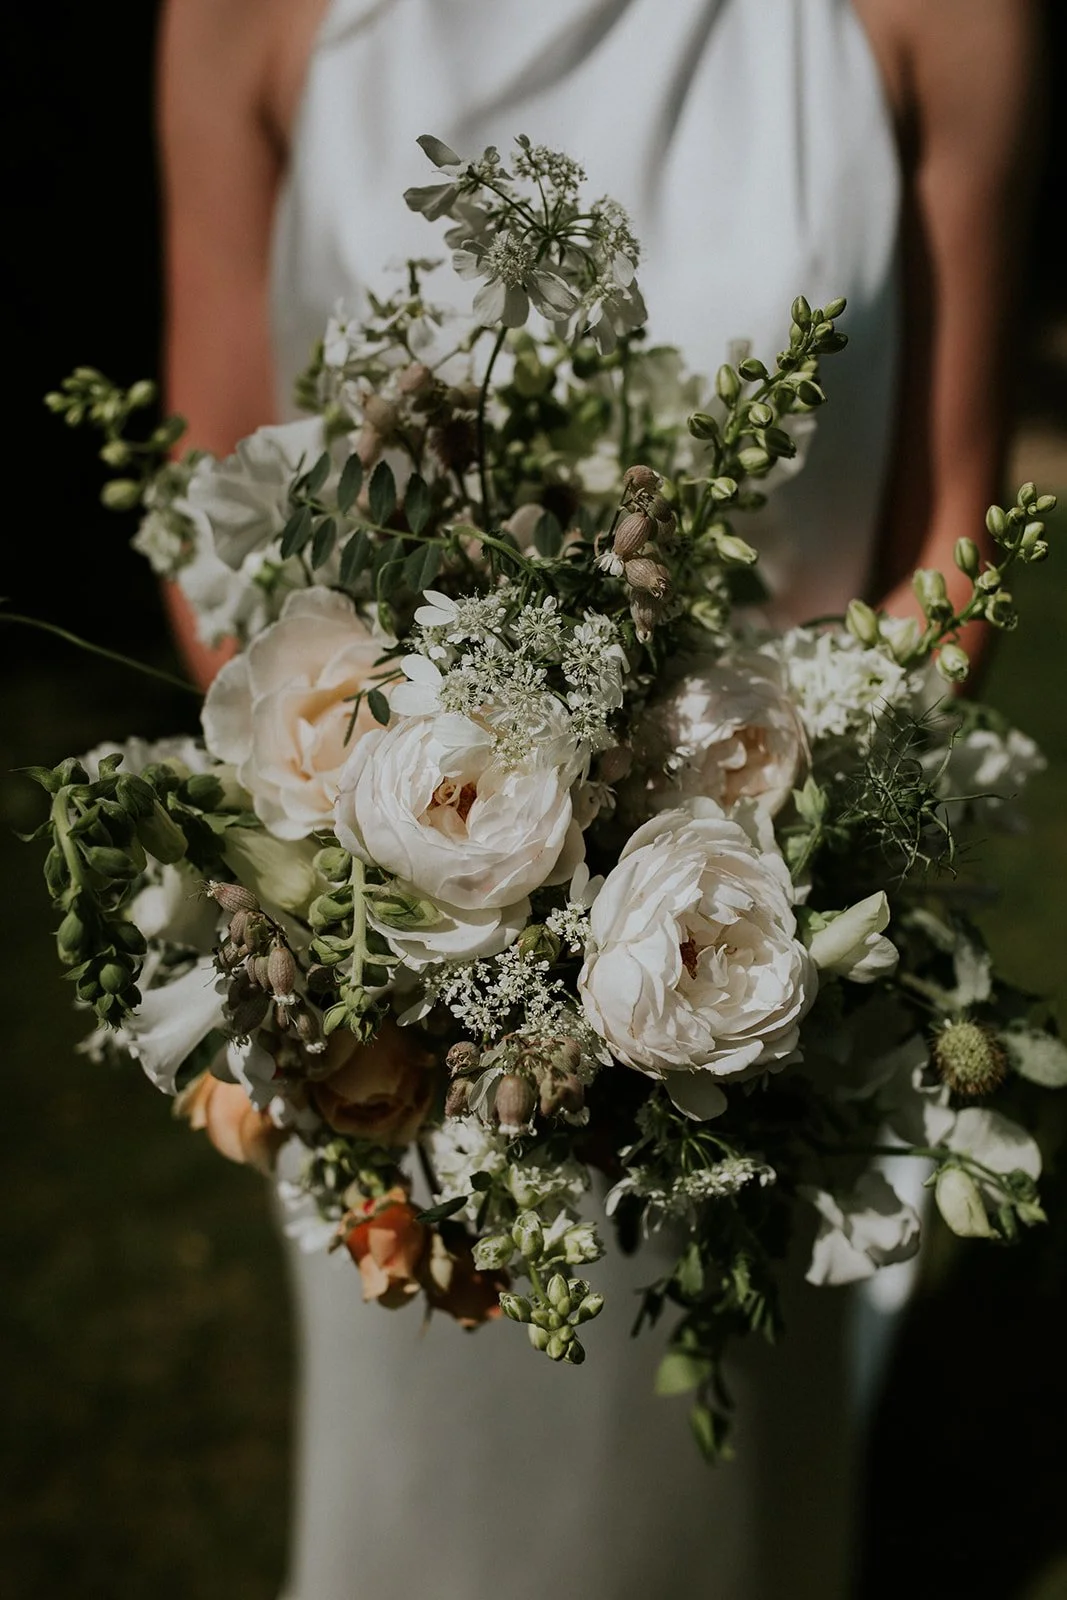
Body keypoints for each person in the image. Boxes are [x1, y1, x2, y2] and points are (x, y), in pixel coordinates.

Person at [156, 3, 1043, 1597]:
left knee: (720, 1503)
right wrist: (368, 862)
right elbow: (209, 465)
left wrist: (743, 867)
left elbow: (947, 518)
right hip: (386, 1009)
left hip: (737, 979)